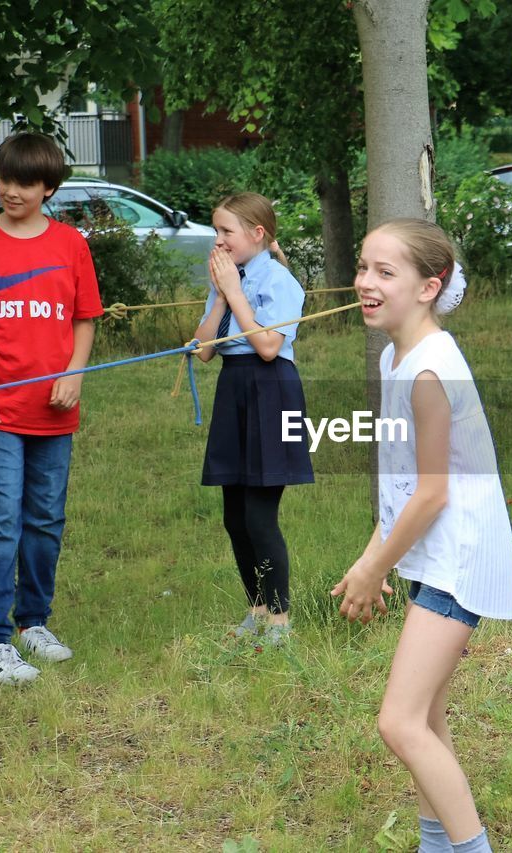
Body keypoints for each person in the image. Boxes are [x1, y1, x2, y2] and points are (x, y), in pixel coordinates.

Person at [331, 219, 512, 853]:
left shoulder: (430, 372)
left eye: (385, 272)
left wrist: (374, 566)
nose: (364, 282)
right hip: (435, 552)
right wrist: (373, 558)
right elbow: (400, 478)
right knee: (427, 716)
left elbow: (434, 492)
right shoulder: (397, 356)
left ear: (427, 287)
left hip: (458, 558)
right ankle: (438, 844)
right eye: (363, 267)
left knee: (400, 722)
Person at [0, 132, 102, 685]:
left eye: (24, 182)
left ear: (48, 188)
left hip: (54, 410)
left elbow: (84, 318)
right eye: (4, 179)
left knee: (45, 520)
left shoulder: (71, 245)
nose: (11, 191)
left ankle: (32, 623)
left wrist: (75, 372)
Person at [192, 192, 313, 646]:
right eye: (216, 231)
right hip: (233, 388)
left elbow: (266, 346)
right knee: (234, 516)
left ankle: (280, 620)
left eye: (227, 232)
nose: (218, 241)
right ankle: (257, 609)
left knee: (260, 516)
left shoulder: (278, 281)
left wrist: (236, 293)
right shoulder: (228, 280)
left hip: (271, 389)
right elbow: (204, 350)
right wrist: (222, 298)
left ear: (257, 234)